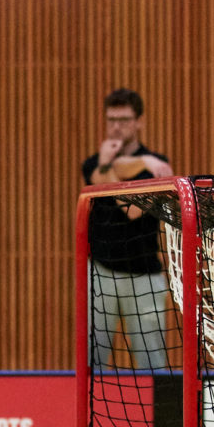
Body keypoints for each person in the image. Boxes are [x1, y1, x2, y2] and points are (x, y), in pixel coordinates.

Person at [80, 88, 174, 370]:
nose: (116, 126)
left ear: (139, 122)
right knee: (93, 362)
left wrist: (118, 165)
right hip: (101, 274)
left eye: (123, 119)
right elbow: (96, 176)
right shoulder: (95, 162)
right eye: (111, 120)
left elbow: (131, 209)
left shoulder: (157, 167)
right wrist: (118, 165)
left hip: (143, 277)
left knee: (153, 362)